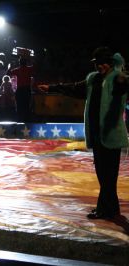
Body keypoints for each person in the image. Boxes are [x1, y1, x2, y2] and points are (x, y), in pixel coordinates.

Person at [38, 47, 129, 219]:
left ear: (110, 63)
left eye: (102, 63)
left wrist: (122, 77)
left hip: (110, 135)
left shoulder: (117, 79)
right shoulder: (92, 80)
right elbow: (73, 88)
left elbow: (123, 87)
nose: (99, 67)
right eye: (97, 63)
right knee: (103, 175)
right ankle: (108, 210)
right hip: (96, 135)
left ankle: (109, 211)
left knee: (109, 176)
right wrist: (50, 88)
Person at [9, 56, 35, 122]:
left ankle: (19, 120)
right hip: (26, 89)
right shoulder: (30, 69)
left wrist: (11, 66)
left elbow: (8, 73)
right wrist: (31, 60)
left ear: (19, 63)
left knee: (19, 105)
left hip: (20, 90)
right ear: (26, 62)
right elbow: (35, 67)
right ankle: (27, 121)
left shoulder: (17, 70)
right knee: (26, 105)